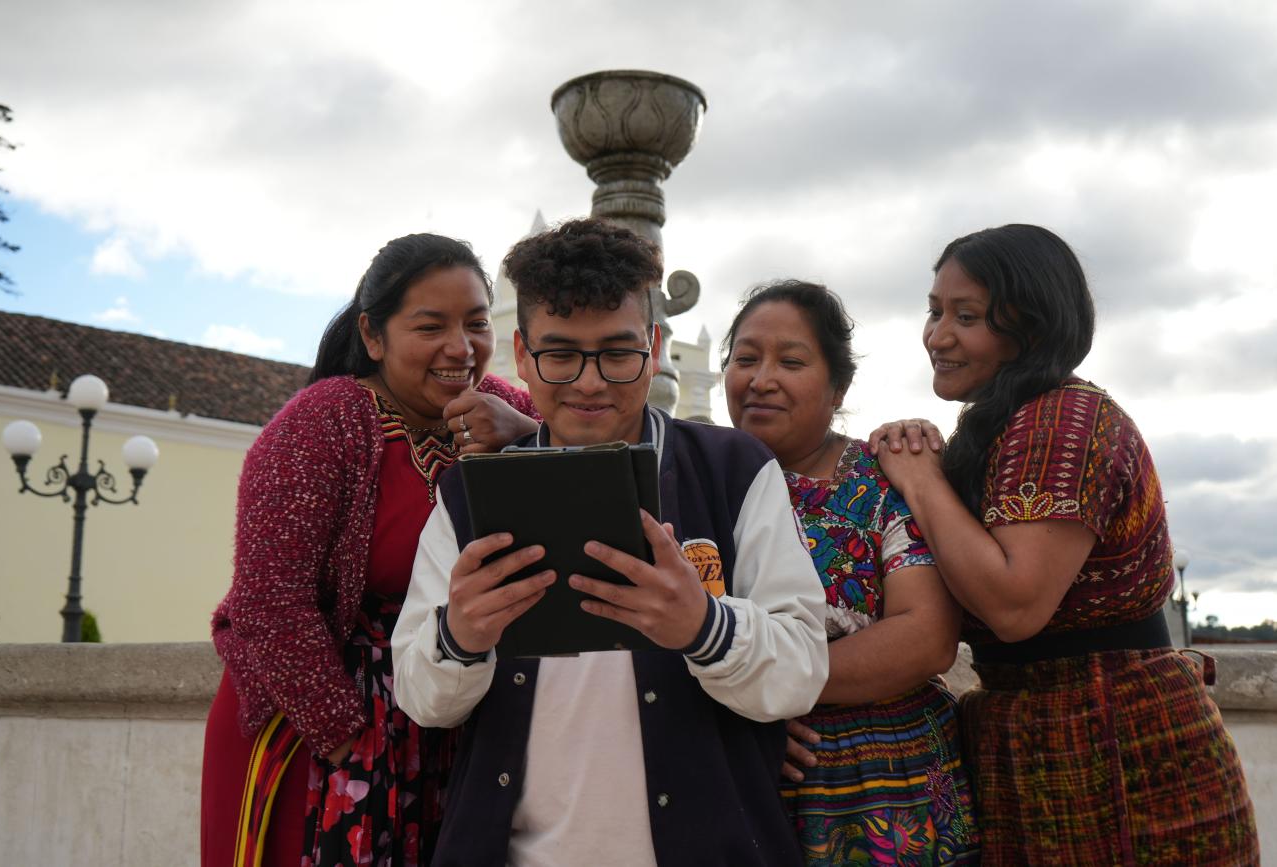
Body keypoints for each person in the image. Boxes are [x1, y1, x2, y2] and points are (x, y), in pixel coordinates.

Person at [390, 218, 829, 866]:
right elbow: (421, 694)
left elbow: (799, 671)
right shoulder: (468, 495)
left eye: (617, 353)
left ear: (653, 345)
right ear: (521, 346)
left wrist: (704, 626)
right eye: (561, 353)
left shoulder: (735, 470)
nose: (590, 382)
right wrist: (459, 633)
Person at [869, 224, 1258, 865]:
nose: (937, 336)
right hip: (1045, 745)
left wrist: (918, 478)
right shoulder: (1001, 426)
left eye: (965, 316)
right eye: (935, 311)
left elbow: (1015, 605)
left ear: (1032, 327)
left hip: (1125, 752)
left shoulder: (1062, 420)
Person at [201, 233, 541, 867]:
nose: (460, 348)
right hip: (320, 724)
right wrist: (347, 737)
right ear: (374, 334)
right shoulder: (322, 422)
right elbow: (269, 599)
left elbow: (594, 484)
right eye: (430, 326)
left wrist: (529, 436)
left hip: (453, 714)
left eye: (475, 323)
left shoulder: (510, 410)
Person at [722, 279, 979, 866]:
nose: (762, 379)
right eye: (745, 359)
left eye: (791, 361)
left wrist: (766, 692)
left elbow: (926, 637)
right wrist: (737, 715)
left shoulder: (882, 476)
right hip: (741, 777)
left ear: (838, 387)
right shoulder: (694, 480)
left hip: (887, 789)